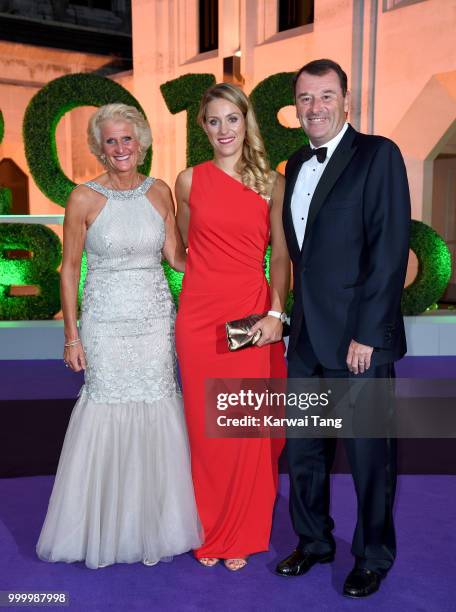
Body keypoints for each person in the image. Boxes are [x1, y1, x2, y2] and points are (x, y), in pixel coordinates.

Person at [37, 103, 201, 569]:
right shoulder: (82, 198)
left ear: (142, 141)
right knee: (106, 407)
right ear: (99, 148)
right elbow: (69, 270)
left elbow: (175, 255)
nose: (120, 148)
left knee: (157, 404)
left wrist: (230, 268)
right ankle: (100, 528)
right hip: (106, 322)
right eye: (110, 140)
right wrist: (71, 336)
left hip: (153, 321)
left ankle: (158, 525)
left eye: (127, 138)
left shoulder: (160, 192)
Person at [276, 59, 411, 597]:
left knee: (368, 457)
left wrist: (369, 334)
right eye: (306, 98)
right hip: (307, 339)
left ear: (346, 101)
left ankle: (373, 556)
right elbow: (302, 258)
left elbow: (389, 248)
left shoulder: (378, 154)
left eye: (326, 96)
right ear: (296, 106)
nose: (316, 107)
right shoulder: (292, 164)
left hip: (359, 341)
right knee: (304, 451)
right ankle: (313, 542)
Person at [175, 83, 289, 571]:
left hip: (251, 316)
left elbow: (281, 255)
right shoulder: (187, 181)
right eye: (214, 120)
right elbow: (179, 250)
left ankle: (239, 530)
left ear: (247, 122)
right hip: (199, 318)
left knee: (241, 427)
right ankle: (207, 527)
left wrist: (275, 314)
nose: (224, 129)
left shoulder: (271, 182)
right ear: (203, 126)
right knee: (205, 430)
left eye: (232, 119)